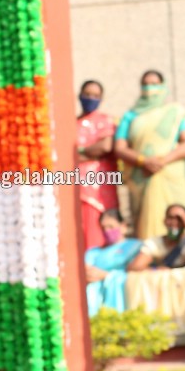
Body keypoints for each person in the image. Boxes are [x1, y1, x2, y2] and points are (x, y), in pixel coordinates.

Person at [113, 69, 185, 239]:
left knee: (181, 215)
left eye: (154, 84)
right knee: (148, 224)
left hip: (173, 175)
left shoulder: (176, 112)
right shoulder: (130, 116)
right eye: (145, 84)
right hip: (143, 175)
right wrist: (144, 161)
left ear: (163, 86)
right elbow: (120, 148)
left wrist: (163, 161)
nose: (149, 88)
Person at [75, 80, 120, 250]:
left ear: (102, 98)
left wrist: (79, 153)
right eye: (87, 94)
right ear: (79, 95)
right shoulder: (73, 123)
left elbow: (105, 146)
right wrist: (87, 152)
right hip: (76, 185)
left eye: (95, 96)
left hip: (99, 187)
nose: (90, 98)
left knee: (101, 228)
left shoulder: (105, 120)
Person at [83, 209, 142, 316]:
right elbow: (87, 273)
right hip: (95, 302)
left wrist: (107, 276)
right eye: (103, 228)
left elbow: (137, 273)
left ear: (123, 226)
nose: (107, 231)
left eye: (111, 227)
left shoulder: (134, 247)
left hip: (126, 299)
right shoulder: (93, 252)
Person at [129, 203, 185, 271]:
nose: (174, 222)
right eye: (170, 218)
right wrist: (156, 269)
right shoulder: (155, 243)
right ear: (165, 220)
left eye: (179, 219)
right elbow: (134, 268)